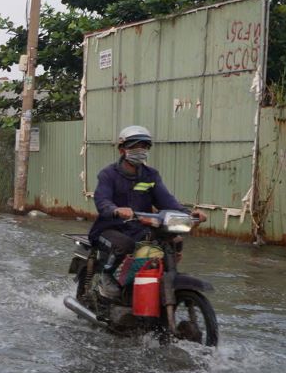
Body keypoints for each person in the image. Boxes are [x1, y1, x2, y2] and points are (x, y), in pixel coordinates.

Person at [88, 125, 208, 299]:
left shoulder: (150, 175)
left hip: (140, 228)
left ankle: (157, 281)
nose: (141, 150)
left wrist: (189, 214)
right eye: (135, 146)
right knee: (124, 245)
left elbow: (166, 200)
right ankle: (105, 276)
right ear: (122, 150)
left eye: (144, 146)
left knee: (175, 240)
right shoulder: (108, 174)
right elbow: (102, 201)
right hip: (109, 228)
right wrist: (115, 210)